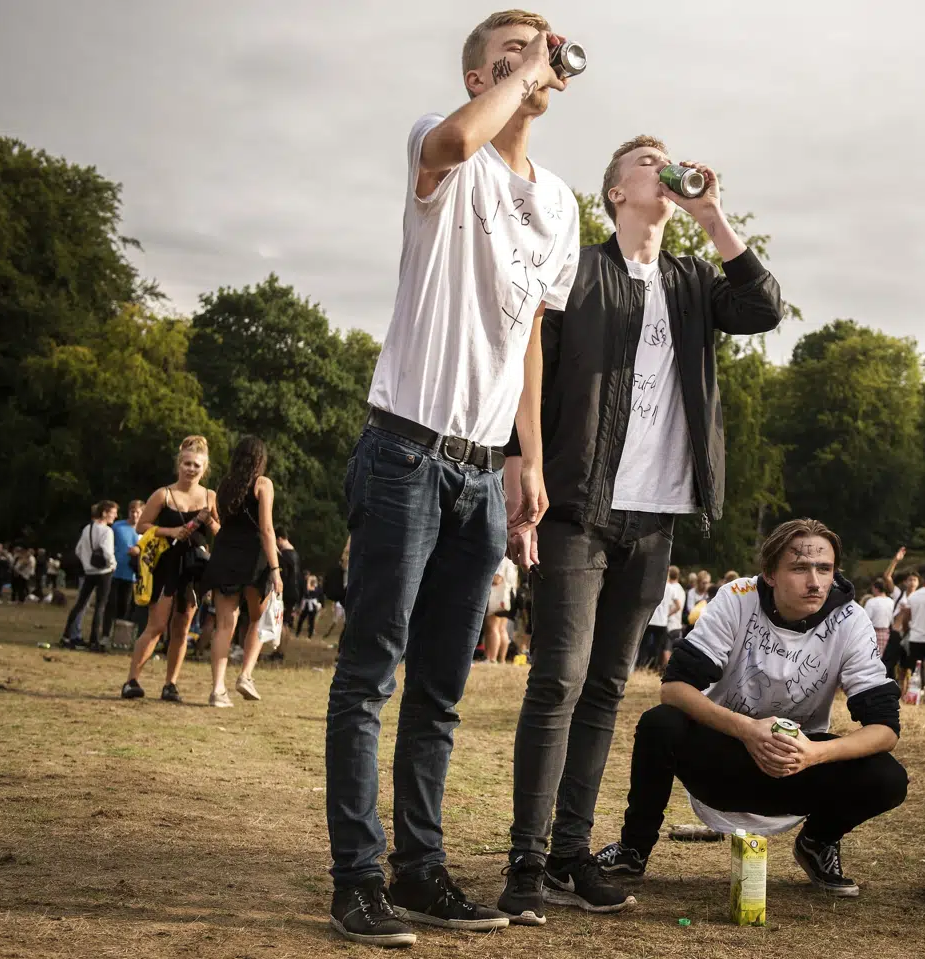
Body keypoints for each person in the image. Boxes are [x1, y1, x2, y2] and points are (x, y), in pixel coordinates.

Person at [324, 9, 582, 947]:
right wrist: (525, 74)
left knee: (441, 687)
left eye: (545, 51)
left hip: (480, 473)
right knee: (369, 677)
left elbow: (532, 340)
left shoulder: (560, 203)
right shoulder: (443, 152)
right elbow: (455, 137)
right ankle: (356, 880)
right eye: (512, 55)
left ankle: (421, 869)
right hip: (402, 449)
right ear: (479, 78)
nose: (537, 65)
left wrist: (530, 457)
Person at [496, 131, 785, 927]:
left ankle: (568, 851)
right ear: (616, 192)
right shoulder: (579, 267)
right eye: (647, 163)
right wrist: (524, 464)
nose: (665, 171)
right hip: (580, 506)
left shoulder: (695, 281)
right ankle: (525, 858)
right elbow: (531, 363)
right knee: (558, 675)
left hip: (655, 516)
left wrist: (714, 215)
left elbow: (764, 305)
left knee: (606, 688)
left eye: (669, 162)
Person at [593, 519, 907, 899]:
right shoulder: (737, 597)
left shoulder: (851, 620)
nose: (815, 581)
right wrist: (746, 730)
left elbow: (886, 729)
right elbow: (674, 690)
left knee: (888, 777)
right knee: (660, 725)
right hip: (726, 760)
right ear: (770, 574)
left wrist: (814, 753)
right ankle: (633, 849)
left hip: (797, 766)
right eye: (799, 568)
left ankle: (818, 841)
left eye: (824, 568)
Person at [122, 436, 219, 703]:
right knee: (156, 625)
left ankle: (170, 684)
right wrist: (170, 531)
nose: (191, 469)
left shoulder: (210, 496)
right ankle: (132, 681)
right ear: (179, 464)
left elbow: (220, 532)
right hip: (165, 565)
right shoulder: (164, 494)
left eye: (196, 465)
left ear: (204, 467)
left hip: (194, 567)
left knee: (183, 626)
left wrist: (210, 521)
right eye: (187, 464)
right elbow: (142, 526)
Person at [201, 436, 283, 708]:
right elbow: (267, 529)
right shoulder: (263, 484)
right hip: (254, 557)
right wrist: (275, 569)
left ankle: (217, 690)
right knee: (259, 620)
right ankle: (246, 675)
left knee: (225, 624)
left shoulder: (224, 486)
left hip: (225, 553)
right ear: (261, 459)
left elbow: (221, 522)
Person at [62, 501, 118, 650]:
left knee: (80, 603)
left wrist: (87, 563)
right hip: (103, 572)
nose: (115, 516)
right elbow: (107, 552)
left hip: (89, 572)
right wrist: (113, 564)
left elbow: (78, 550)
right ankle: (94, 640)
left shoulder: (88, 528)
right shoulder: (107, 531)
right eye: (113, 512)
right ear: (105, 513)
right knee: (100, 606)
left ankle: (66, 635)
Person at [895, 565, 925, 705]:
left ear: (922, 580)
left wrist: (906, 630)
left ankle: (914, 697)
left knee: (913, 671)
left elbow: (906, 617)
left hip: (916, 638)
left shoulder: (914, 596)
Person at [107, 499, 144, 639]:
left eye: (138, 512)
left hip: (134, 576)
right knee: (111, 605)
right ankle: (107, 633)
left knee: (127, 607)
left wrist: (139, 551)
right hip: (115, 572)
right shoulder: (117, 526)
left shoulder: (147, 530)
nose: (134, 515)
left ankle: (122, 637)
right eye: (132, 511)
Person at [483, 555, 518, 663]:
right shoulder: (513, 562)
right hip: (509, 597)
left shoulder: (502, 559)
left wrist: (484, 576)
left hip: (498, 597)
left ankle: (491, 658)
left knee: (492, 627)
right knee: (502, 628)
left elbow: (497, 579)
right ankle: (502, 659)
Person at [864, 579, 895, 658]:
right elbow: (893, 620)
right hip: (887, 633)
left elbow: (865, 620)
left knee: (872, 658)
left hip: (873, 633)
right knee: (885, 659)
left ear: (876, 588)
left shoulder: (871, 602)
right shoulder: (891, 602)